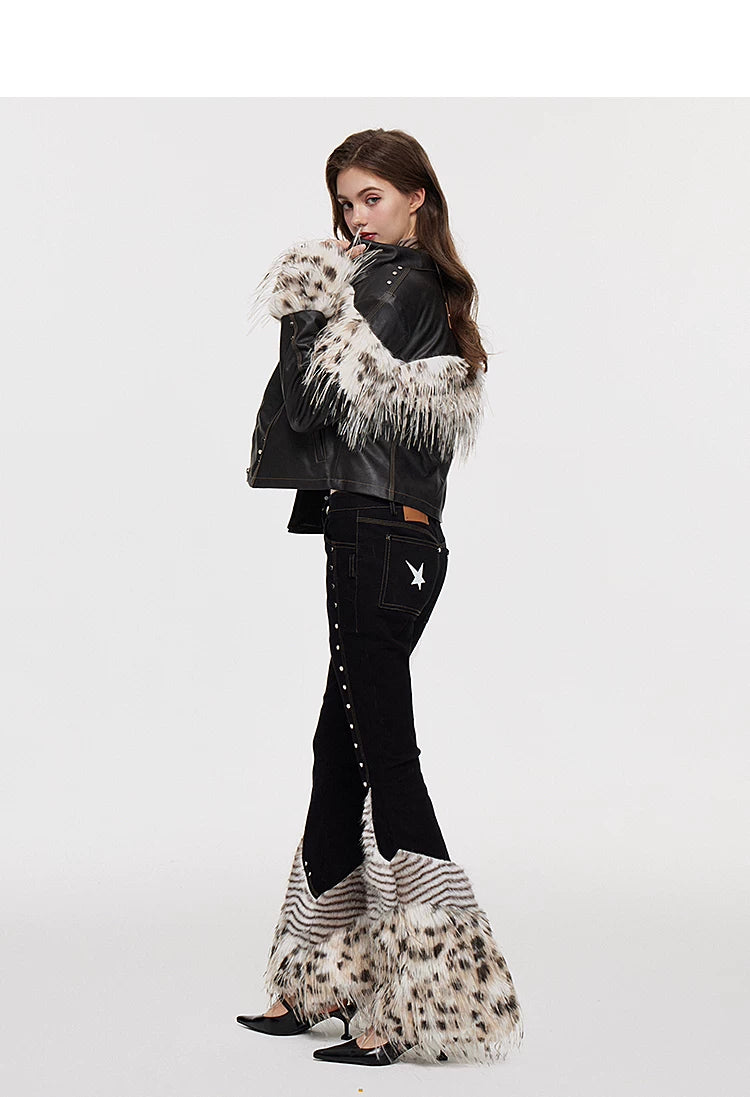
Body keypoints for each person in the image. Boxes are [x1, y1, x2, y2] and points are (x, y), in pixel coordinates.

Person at [237, 128, 524, 1067]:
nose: (354, 218)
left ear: (415, 199)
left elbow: (312, 404)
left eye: (371, 198)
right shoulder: (409, 287)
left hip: (378, 541)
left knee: (384, 757)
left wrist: (307, 294)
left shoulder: (393, 286)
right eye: (344, 202)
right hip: (388, 538)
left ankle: (430, 1001)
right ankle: (318, 981)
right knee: (340, 750)